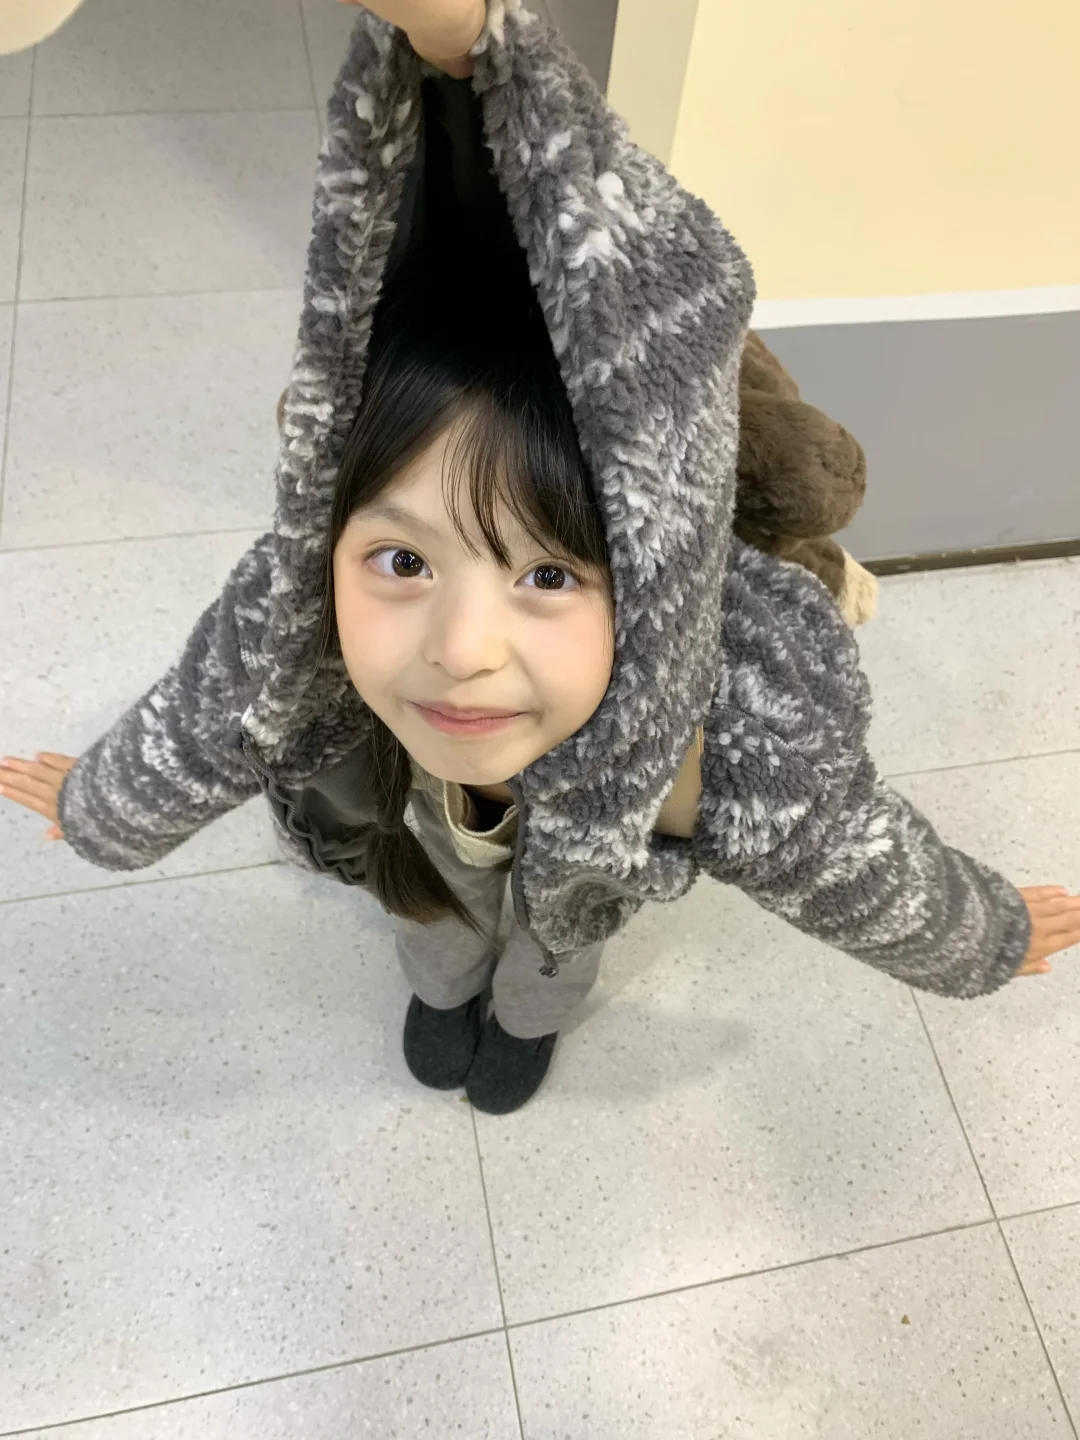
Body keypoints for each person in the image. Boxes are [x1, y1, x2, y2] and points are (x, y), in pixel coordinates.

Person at [3, 0, 1079, 1117]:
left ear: (655, 584)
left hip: (587, 867)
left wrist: (981, 933)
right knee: (432, 912)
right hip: (418, 835)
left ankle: (526, 1017)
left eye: (549, 576)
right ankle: (445, 989)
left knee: (558, 944)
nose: (462, 652)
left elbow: (843, 851)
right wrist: (103, 802)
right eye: (403, 562)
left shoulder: (730, 715)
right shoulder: (297, 616)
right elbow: (200, 719)